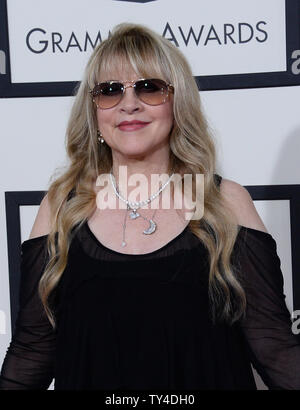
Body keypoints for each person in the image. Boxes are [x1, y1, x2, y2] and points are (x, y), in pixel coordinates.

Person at [0, 22, 299, 391]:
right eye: (110, 91)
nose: (129, 103)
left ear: (178, 103)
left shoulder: (224, 204)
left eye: (150, 87)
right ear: (94, 112)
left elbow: (273, 346)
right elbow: (32, 352)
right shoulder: (61, 208)